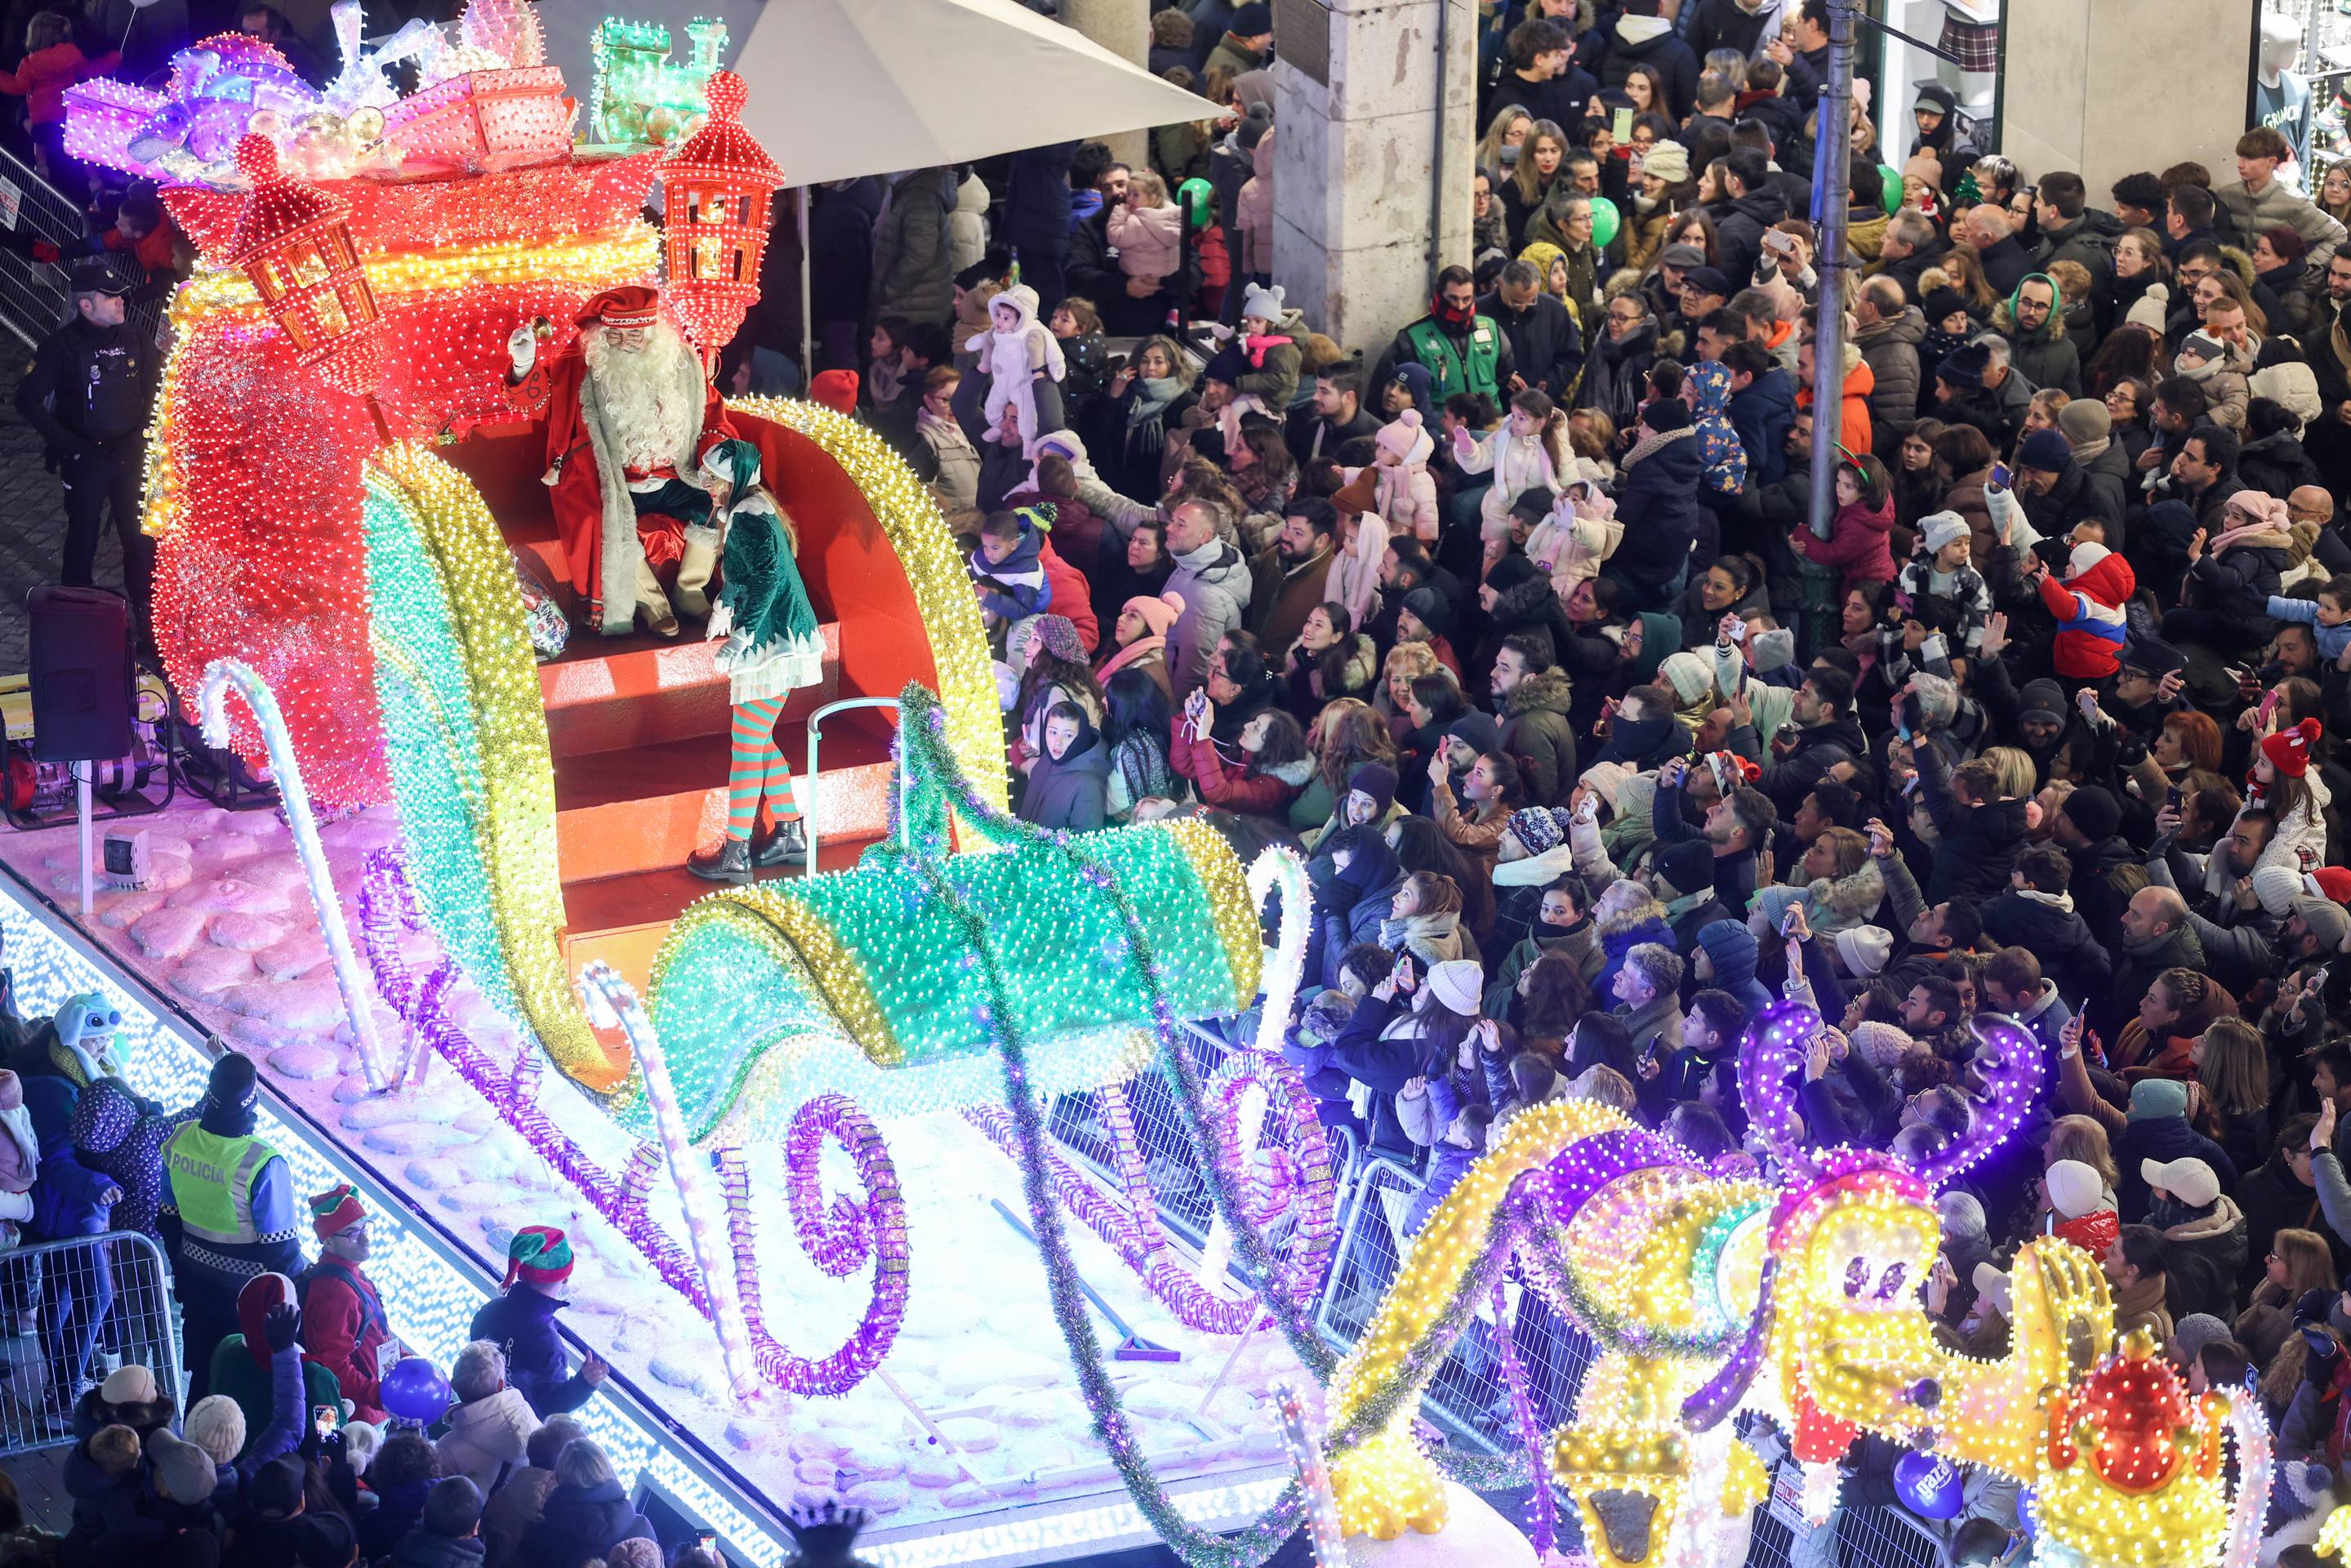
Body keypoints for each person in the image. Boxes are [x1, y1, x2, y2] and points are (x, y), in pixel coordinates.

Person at [505, 286, 733, 636]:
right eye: (617, 334)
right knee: (612, 524)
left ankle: (689, 589)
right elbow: (536, 405)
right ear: (601, 334)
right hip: (612, 482)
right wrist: (523, 367)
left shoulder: (683, 364)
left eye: (637, 334)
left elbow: (713, 415)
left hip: (675, 477)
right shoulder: (578, 367)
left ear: (654, 333)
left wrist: (720, 457)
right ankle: (652, 602)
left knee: (719, 502)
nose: (627, 341)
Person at [685, 439, 826, 881]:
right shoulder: (751, 506)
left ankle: (735, 854)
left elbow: (767, 580)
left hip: (773, 642)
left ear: (735, 478)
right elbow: (744, 573)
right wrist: (724, 604)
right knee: (758, 740)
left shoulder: (749, 514)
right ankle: (788, 832)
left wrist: (740, 637)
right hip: (777, 636)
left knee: (747, 748)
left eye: (715, 478)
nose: (708, 485)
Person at [16, 260, 156, 636]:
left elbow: (155, 392)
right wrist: (69, 445)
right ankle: (78, 617)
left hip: (130, 457)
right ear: (85, 305)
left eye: (121, 296)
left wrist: (145, 437)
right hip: (87, 459)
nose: (121, 303)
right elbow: (27, 400)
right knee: (83, 536)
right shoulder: (60, 347)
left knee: (139, 538)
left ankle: (146, 617)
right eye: (110, 298)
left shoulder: (137, 338)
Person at [159, 1052, 298, 1405]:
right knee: (235, 1391)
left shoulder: (180, 1139)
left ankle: (191, 1447)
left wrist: (181, 1271)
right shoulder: (263, 1161)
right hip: (244, 1301)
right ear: (253, 1101)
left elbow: (168, 1218)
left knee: (203, 1379)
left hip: (194, 1286)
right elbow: (280, 1250)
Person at [466, 1228, 609, 1420]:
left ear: (521, 1273)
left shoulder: (490, 1310)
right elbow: (552, 1406)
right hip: (517, 1432)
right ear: (565, 1278)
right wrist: (584, 1383)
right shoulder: (546, 1341)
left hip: (476, 1412)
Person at [295, 1183, 389, 1425]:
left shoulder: (354, 1274)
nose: (365, 1238)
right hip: (356, 1416)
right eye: (352, 1234)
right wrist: (381, 1395)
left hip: (374, 1405)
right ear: (328, 1242)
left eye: (364, 1227)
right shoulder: (336, 1293)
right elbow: (334, 1368)